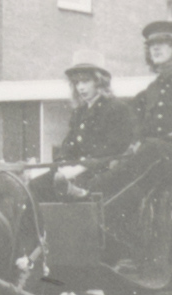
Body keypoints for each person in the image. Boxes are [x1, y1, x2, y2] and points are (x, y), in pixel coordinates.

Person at [65, 21, 172, 283]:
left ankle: (96, 203)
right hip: (157, 158)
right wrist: (133, 143)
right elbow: (135, 129)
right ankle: (102, 210)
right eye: (151, 45)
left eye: (163, 43)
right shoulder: (152, 89)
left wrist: (166, 138)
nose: (155, 48)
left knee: (152, 150)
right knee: (136, 158)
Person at [30, 49, 136, 201]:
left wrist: (81, 167)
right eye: (77, 82)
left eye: (86, 81)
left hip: (102, 172)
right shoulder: (80, 112)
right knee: (36, 185)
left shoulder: (117, 108)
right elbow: (70, 142)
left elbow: (114, 147)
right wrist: (62, 163)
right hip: (77, 170)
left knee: (77, 189)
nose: (80, 87)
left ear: (99, 82)